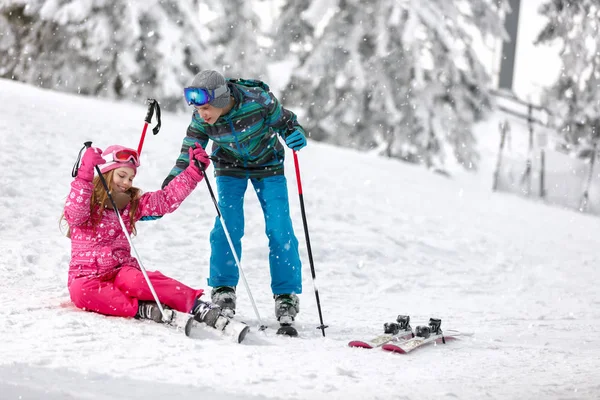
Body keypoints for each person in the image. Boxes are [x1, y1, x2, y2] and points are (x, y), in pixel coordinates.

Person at [162, 70, 307, 325]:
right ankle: (223, 289)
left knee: (279, 227)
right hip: (229, 168)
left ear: (220, 100)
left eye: (206, 107)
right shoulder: (201, 120)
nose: (201, 114)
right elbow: (187, 154)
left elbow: (285, 122)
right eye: (197, 109)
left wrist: (295, 133)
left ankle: (286, 294)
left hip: (269, 164)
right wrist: (170, 185)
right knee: (227, 227)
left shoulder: (258, 101)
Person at [62, 143, 223, 328]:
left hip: (120, 269)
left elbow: (165, 199)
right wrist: (84, 177)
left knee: (136, 281)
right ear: (105, 173)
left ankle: (195, 305)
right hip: (86, 275)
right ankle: (140, 308)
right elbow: (74, 215)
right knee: (80, 292)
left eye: (131, 178)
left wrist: (193, 172)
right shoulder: (86, 200)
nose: (126, 183)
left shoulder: (131, 204)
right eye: (121, 175)